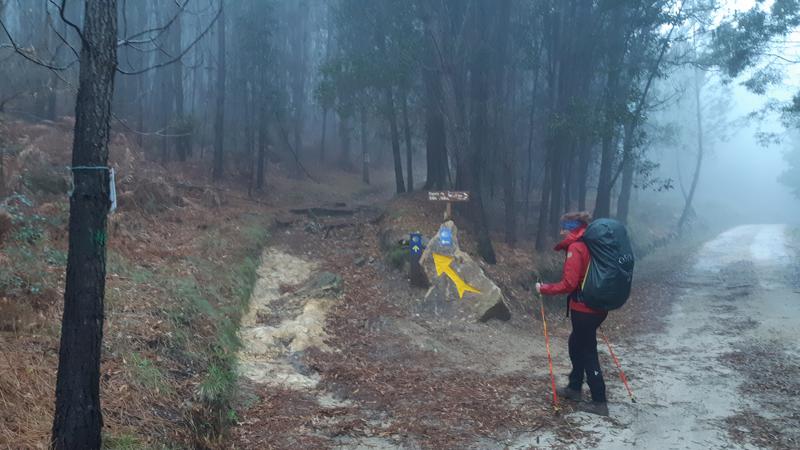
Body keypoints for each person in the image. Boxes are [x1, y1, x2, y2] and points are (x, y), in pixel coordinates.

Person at [535, 211, 609, 416]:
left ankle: (599, 401)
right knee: (575, 343)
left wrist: (544, 288)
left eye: (564, 226)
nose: (561, 230)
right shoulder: (592, 243)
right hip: (597, 306)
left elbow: (569, 283)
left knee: (587, 351)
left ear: (571, 227)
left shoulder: (576, 247)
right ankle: (574, 387)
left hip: (584, 308)